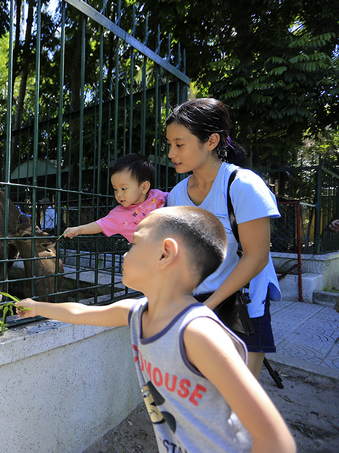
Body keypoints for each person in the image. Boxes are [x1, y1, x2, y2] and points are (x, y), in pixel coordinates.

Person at [17, 207, 296, 453]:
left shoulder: (198, 333)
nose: (125, 252)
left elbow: (274, 439)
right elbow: (81, 311)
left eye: (134, 243)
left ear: (165, 254)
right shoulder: (137, 312)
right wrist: (37, 307)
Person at [165, 98, 281, 379]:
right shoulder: (176, 195)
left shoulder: (244, 186)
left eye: (179, 144)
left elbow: (256, 257)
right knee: (203, 392)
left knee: (240, 399)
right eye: (169, 145)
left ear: (212, 141)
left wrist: (209, 306)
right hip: (199, 303)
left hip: (242, 305)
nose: (171, 153)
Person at [62, 153, 168, 242]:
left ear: (144, 187)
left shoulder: (158, 195)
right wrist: (79, 229)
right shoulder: (118, 215)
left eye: (124, 188)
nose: (119, 195)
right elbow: (100, 224)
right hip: (148, 258)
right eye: (115, 189)